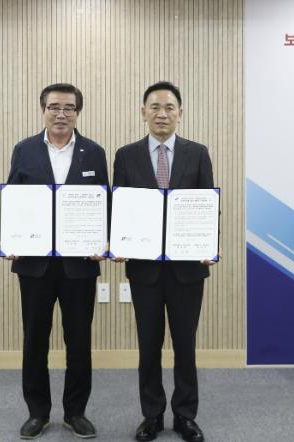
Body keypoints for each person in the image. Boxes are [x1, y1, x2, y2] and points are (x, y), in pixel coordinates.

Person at [112, 81, 217, 442]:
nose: (162, 114)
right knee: (148, 345)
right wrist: (118, 240)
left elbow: (208, 204)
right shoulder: (126, 156)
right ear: (143, 112)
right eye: (154, 107)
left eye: (169, 107)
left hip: (187, 269)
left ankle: (185, 416)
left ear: (180, 114)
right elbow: (119, 207)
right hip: (145, 270)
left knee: (185, 345)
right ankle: (152, 415)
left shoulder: (197, 153)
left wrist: (209, 243)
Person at [3, 83, 109, 439]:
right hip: (35, 265)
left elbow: (104, 204)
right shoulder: (24, 150)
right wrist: (10, 238)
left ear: (77, 112)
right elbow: (13, 199)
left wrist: (105, 240)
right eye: (54, 107)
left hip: (80, 264)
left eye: (68, 108)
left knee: (79, 341)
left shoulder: (94, 153)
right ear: (43, 110)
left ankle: (76, 412)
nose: (61, 114)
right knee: (35, 339)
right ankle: (38, 412)